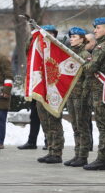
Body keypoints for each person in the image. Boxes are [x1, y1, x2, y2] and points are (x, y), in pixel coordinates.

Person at [82, 17, 105, 170]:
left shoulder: (101, 47)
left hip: (101, 90)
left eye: (97, 28)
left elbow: (90, 68)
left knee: (104, 126)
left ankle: (102, 159)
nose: (94, 31)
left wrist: (85, 64)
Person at [63, 27, 92, 167]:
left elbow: (89, 77)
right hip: (71, 95)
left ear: (81, 39)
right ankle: (77, 154)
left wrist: (85, 95)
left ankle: (83, 156)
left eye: (74, 37)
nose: (71, 39)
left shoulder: (85, 55)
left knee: (82, 126)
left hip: (81, 96)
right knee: (75, 125)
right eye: (71, 37)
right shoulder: (69, 54)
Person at [36, 25, 64, 164]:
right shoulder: (40, 50)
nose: (47, 36)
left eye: (50, 34)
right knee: (45, 123)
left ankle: (57, 152)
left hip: (55, 91)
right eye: (44, 34)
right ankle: (50, 149)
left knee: (54, 123)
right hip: (42, 90)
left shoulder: (59, 50)